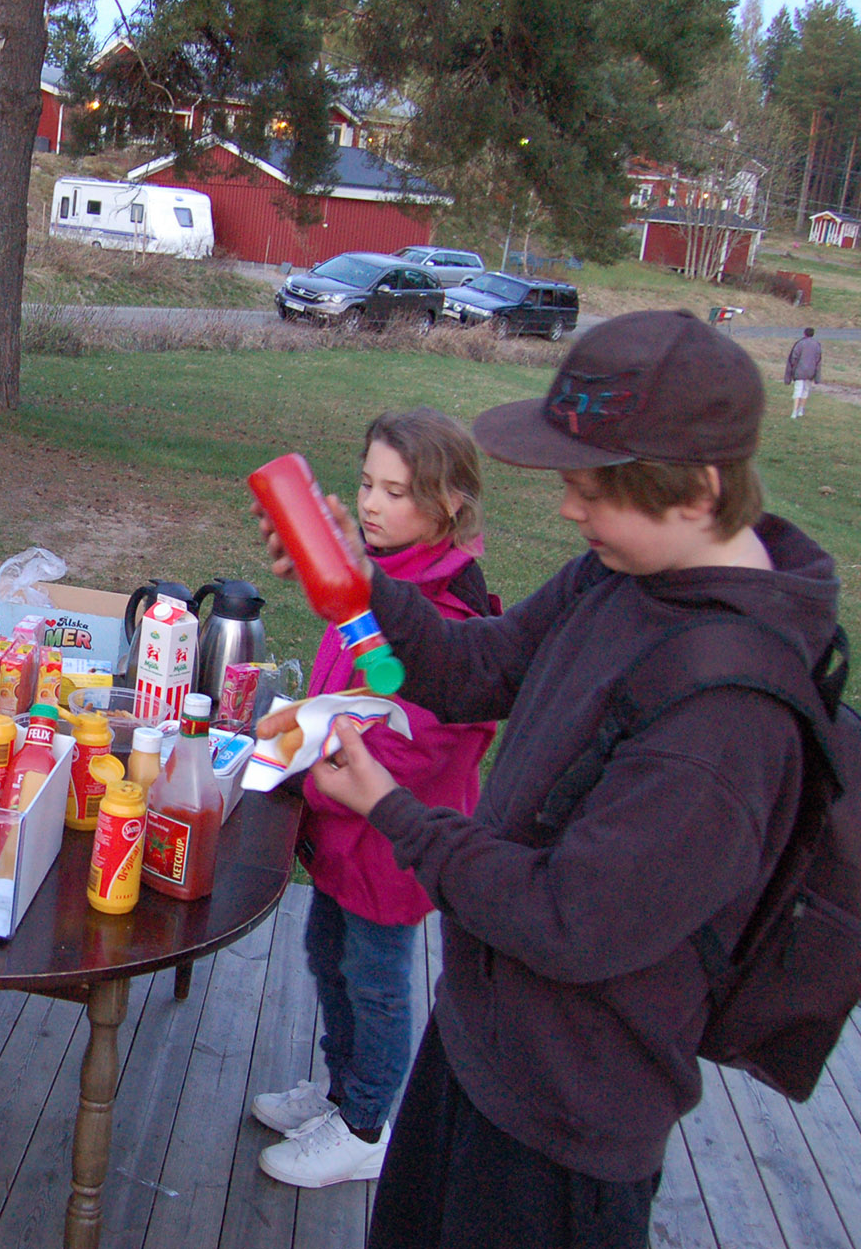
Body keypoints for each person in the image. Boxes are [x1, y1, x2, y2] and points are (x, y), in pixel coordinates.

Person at [259, 310, 837, 1248]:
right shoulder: (618, 576)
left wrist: (395, 812)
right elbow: (473, 667)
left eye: (591, 490)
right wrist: (362, 579)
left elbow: (568, 920)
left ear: (697, 489)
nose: (569, 509)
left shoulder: (729, 717)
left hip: (563, 1121)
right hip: (478, 1041)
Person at [253, 409, 499, 1189]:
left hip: (391, 843)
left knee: (378, 982)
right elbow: (366, 677)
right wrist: (297, 725)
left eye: (396, 492)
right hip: (341, 834)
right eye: (366, 483)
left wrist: (314, 746)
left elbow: (416, 728)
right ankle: (340, 1089)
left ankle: (365, 1125)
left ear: (450, 502)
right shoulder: (379, 575)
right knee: (327, 957)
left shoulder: (451, 609)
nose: (371, 504)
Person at [784, 326, 822, 418]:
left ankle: (794, 412)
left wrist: (792, 370)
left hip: (799, 371)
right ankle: (801, 410)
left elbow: (793, 358)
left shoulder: (800, 344)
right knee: (805, 391)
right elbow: (818, 360)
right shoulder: (817, 344)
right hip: (810, 372)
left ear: (804, 334)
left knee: (798, 391)